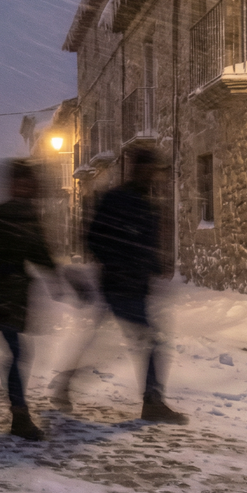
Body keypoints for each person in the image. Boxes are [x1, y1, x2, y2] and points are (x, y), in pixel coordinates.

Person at [53, 147, 187, 424]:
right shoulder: (117, 199)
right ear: (137, 168)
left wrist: (152, 266)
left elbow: (144, 243)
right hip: (120, 285)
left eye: (156, 170)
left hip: (132, 285)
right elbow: (92, 237)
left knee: (103, 343)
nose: (154, 175)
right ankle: (152, 402)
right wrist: (119, 264)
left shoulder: (147, 202)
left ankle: (65, 383)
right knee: (152, 342)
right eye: (150, 169)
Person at [0, 159, 58, 440]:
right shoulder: (4, 213)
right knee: (16, 353)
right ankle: (19, 415)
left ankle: (18, 412)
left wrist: (57, 276)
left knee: (17, 353)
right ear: (12, 184)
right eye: (19, 181)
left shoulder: (27, 213)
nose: (24, 185)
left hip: (14, 294)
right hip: (4, 294)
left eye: (28, 181)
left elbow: (39, 251)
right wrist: (8, 276)